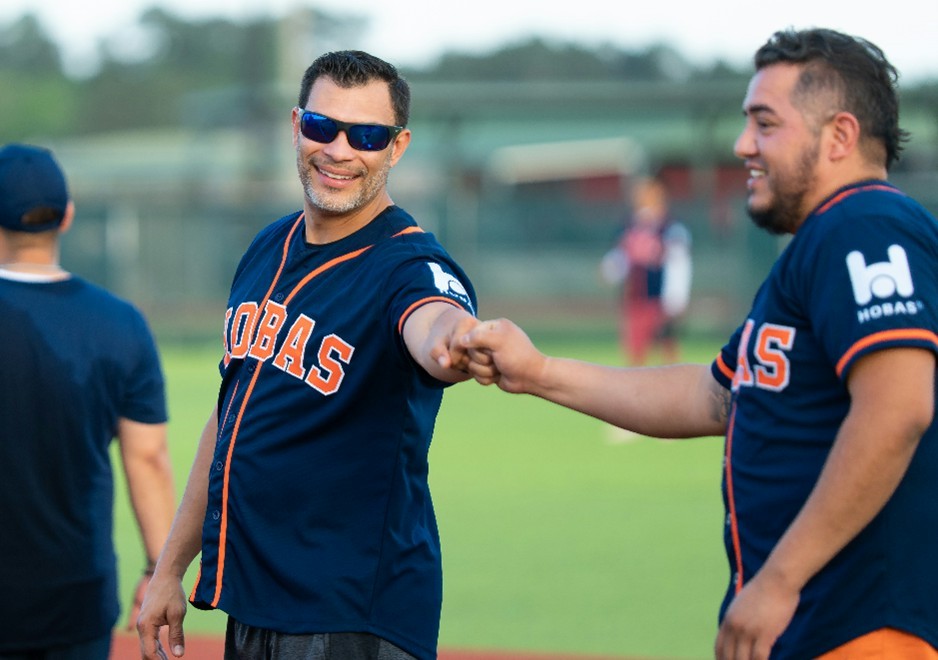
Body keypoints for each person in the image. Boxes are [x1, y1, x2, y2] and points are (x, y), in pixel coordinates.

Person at [448, 28, 938, 659]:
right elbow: (715, 396)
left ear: (840, 136)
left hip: (864, 631)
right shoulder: (820, 246)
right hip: (821, 629)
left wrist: (779, 581)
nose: (743, 145)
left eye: (765, 124)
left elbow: (898, 408)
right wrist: (539, 371)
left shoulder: (865, 224)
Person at [136, 51, 479, 660]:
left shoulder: (406, 265)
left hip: (350, 614)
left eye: (367, 135)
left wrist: (455, 341)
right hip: (255, 599)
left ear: (396, 148)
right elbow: (230, 416)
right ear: (297, 126)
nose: (340, 150)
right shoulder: (268, 246)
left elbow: (435, 324)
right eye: (324, 127)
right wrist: (169, 567)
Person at [0, 143, 176, 659]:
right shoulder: (121, 323)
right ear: (68, 217)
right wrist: (156, 570)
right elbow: (147, 459)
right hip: (75, 595)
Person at [599, 175, 692, 365]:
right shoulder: (629, 227)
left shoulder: (671, 228)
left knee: (667, 351)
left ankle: (672, 393)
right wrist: (611, 269)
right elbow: (620, 259)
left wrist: (676, 298)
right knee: (635, 354)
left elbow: (679, 265)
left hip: (659, 298)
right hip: (636, 299)